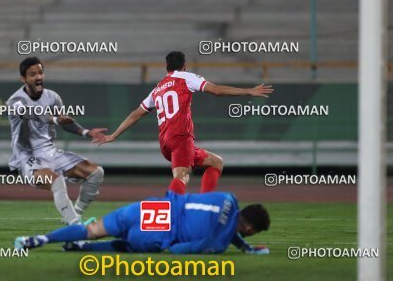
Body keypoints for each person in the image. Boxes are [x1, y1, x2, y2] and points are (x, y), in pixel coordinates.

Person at [94, 51, 274, 194]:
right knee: (182, 178)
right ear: (184, 66)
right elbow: (217, 90)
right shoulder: (187, 77)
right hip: (181, 138)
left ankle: (204, 204)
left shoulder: (158, 88)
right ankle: (168, 215)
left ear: (167, 67)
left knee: (216, 162)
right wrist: (248, 91)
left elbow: (136, 114)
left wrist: (113, 135)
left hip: (165, 144)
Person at [14, 189, 270, 255]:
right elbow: (186, 247)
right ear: (249, 228)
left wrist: (243, 246)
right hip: (163, 231)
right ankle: (81, 248)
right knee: (127, 245)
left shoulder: (229, 199)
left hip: (156, 208)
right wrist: (244, 247)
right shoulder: (220, 243)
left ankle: (41, 239)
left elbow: (227, 224)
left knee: (93, 229)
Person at [7, 56, 106, 225]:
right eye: (32, 74)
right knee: (56, 181)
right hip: (28, 157)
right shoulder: (15, 101)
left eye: (40, 72)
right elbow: (33, 114)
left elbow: (64, 122)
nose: (38, 77)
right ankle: (75, 226)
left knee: (96, 173)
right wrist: (54, 120)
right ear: (23, 78)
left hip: (50, 151)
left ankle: (73, 216)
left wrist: (86, 132)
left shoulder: (52, 97)